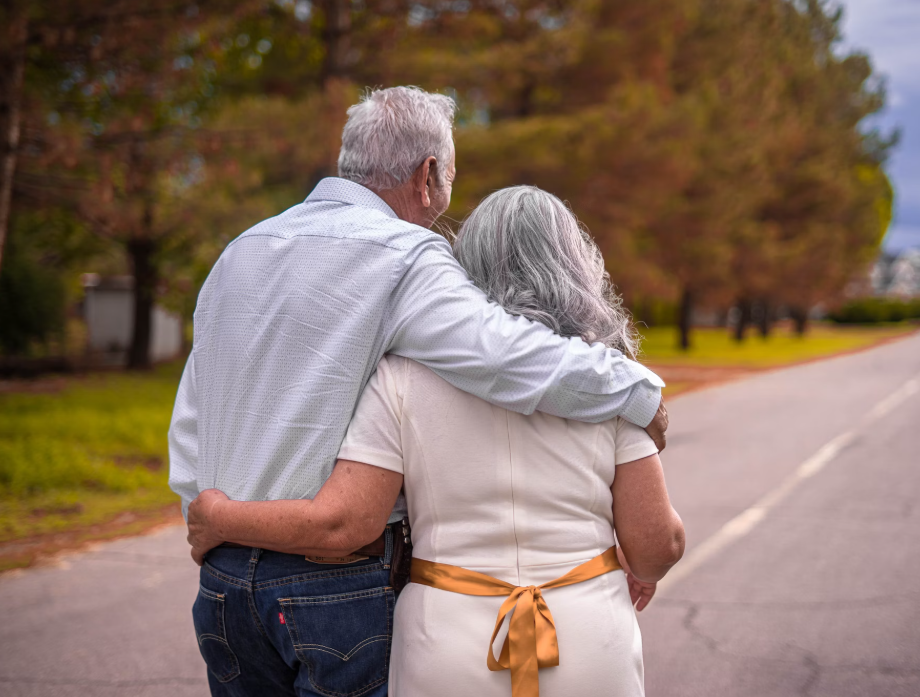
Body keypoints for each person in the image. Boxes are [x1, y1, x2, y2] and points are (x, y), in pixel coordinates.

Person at [169, 86, 668, 697]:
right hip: (333, 588)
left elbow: (194, 414)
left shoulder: (240, 251)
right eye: (451, 179)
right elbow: (506, 357)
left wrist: (210, 516)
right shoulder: (407, 256)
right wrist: (637, 387)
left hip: (223, 581)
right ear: (428, 175)